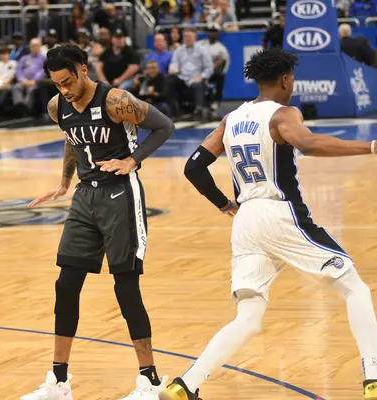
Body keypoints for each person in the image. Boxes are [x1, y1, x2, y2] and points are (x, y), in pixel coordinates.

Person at [160, 47, 377, 400]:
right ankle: (374, 379)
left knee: (249, 316)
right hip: (279, 213)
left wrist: (224, 204)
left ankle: (185, 384)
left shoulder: (231, 119)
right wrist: (369, 147)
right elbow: (307, 143)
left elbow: (193, 167)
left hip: (245, 220)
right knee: (355, 288)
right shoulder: (283, 114)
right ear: (286, 80)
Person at [22, 45, 175, 400]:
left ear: (83, 69)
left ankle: (150, 382)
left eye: (68, 81)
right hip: (84, 197)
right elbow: (71, 139)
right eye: (57, 84)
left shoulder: (116, 100)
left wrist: (133, 160)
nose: (64, 90)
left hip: (120, 193)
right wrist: (64, 182)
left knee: (125, 287)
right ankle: (59, 383)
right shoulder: (57, 106)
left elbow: (164, 126)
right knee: (66, 284)